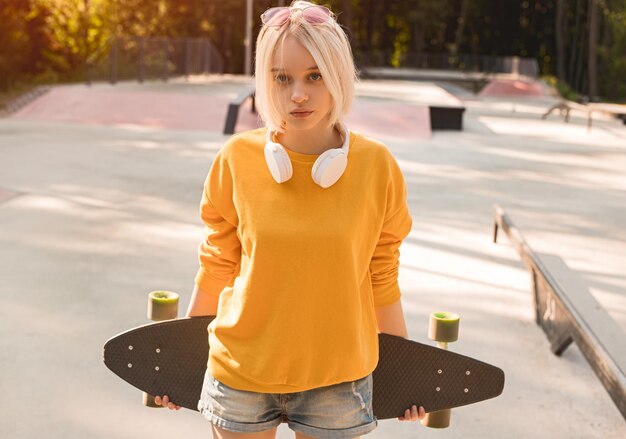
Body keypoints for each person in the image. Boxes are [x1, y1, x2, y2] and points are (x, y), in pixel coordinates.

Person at [155, 1, 425, 437]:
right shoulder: (235, 159)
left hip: (338, 382)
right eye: (283, 78)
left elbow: (382, 273)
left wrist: (409, 373)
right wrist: (176, 360)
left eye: (314, 76)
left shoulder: (377, 167)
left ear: (338, 75)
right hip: (239, 374)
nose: (298, 94)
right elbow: (217, 262)